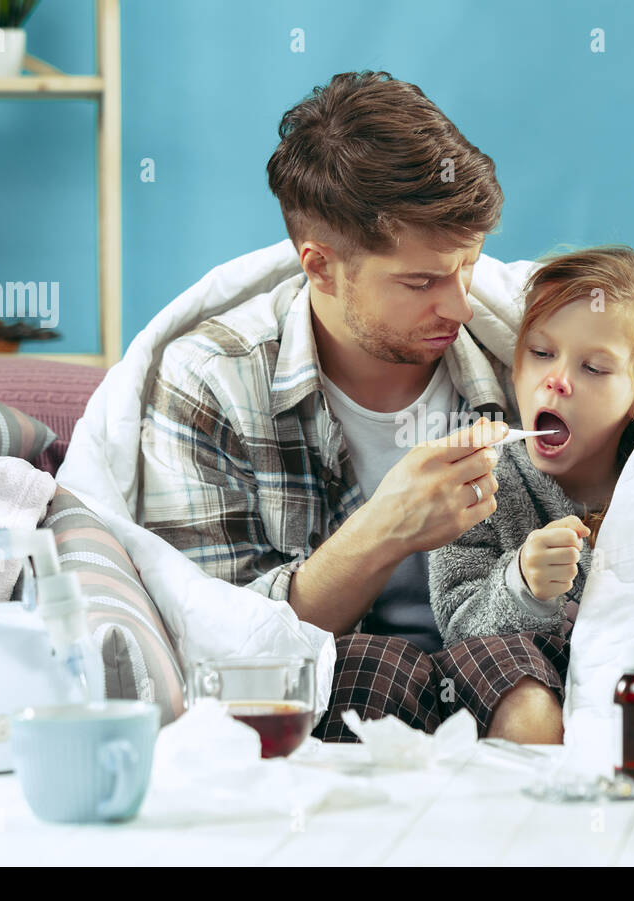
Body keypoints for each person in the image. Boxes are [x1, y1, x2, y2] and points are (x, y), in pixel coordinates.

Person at [138, 70, 563, 743]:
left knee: (525, 684)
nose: (458, 305)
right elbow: (223, 655)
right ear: (320, 266)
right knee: (364, 673)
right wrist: (386, 529)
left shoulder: (535, 362)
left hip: (515, 671)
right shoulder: (212, 384)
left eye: (469, 266)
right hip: (337, 690)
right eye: (420, 281)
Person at [428, 247, 634, 737]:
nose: (557, 381)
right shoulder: (479, 482)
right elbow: (459, 632)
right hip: (512, 700)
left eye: (594, 368)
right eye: (541, 354)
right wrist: (521, 584)